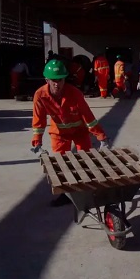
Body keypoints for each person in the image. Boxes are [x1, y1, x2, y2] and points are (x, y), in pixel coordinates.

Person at [31, 59, 111, 206]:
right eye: (53, 80)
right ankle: (66, 195)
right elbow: (39, 121)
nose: (57, 83)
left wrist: (102, 137)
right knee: (62, 164)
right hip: (59, 133)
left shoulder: (75, 93)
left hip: (80, 131)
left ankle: (87, 190)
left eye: (60, 79)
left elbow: (88, 117)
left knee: (85, 160)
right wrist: (37, 143)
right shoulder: (40, 95)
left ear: (65, 79)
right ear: (46, 80)